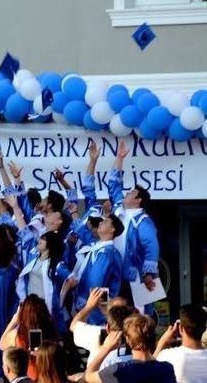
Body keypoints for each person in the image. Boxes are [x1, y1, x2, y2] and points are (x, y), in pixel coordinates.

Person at [109, 140, 160, 314]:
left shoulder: (143, 220)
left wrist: (148, 274)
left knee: (141, 313)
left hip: (135, 275)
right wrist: (119, 159)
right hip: (115, 271)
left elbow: (151, 247)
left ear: (138, 200)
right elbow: (113, 185)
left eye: (131, 192)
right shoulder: (119, 208)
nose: (127, 193)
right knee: (115, 312)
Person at [63, 213, 125, 325]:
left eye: (105, 222)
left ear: (112, 229)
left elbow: (95, 282)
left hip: (95, 313)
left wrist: (82, 305)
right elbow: (84, 234)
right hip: (91, 309)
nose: (100, 222)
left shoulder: (107, 253)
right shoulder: (98, 247)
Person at [84, 313, 176, 383]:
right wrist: (161, 343)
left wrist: (106, 348)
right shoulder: (167, 369)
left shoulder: (119, 370)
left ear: (128, 340)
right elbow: (149, 367)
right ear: (153, 338)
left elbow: (87, 376)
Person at [70, 289, 136, 370]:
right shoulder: (140, 335)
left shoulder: (98, 334)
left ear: (108, 327)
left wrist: (89, 306)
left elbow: (74, 326)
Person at [154, 304, 207, 383]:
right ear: (204, 329)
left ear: (181, 328)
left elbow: (149, 369)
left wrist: (162, 341)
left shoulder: (168, 356)